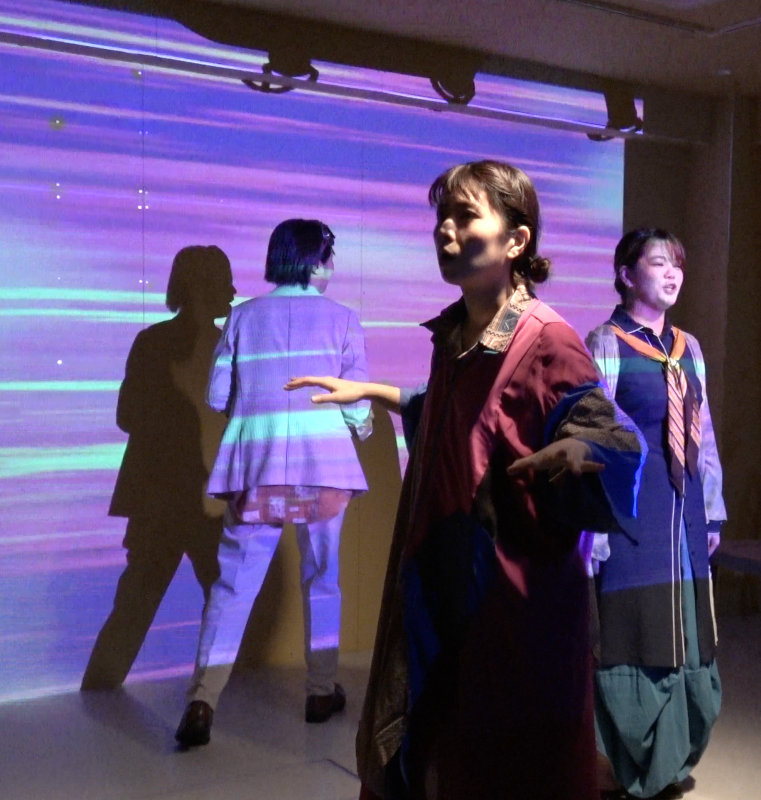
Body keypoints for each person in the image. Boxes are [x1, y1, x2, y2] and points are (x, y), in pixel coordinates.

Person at [287, 160, 644, 800]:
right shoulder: (456, 333)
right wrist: (373, 392)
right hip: (445, 577)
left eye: (465, 216)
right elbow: (458, 420)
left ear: (517, 240)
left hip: (509, 598)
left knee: (501, 762)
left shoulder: (548, 340)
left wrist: (578, 446)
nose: (445, 230)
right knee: (434, 747)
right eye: (441, 217)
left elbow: (614, 438)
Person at [174, 220, 372, 747]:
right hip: (323, 468)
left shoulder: (242, 317)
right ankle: (320, 691)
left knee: (232, 586)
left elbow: (218, 396)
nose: (332, 266)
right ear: (314, 260)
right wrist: (361, 426)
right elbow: (356, 406)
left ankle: (202, 700)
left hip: (257, 468)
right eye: (329, 256)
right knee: (322, 579)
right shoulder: (343, 319)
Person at [585, 229, 724, 799]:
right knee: (636, 635)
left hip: (685, 516)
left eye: (678, 265)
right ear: (625, 274)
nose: (672, 275)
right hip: (632, 519)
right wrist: (595, 528)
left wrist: (712, 511)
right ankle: (625, 767)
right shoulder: (607, 343)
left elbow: (703, 433)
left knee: (688, 634)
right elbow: (592, 437)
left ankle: (671, 761)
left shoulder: (689, 348)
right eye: (659, 263)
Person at [83, 245, 234, 691]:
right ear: (203, 286)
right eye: (224, 281)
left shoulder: (161, 343)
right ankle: (209, 697)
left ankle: (101, 697)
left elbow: (128, 415)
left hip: (182, 502)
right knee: (204, 605)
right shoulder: (212, 347)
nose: (232, 291)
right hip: (184, 502)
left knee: (135, 609)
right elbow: (130, 414)